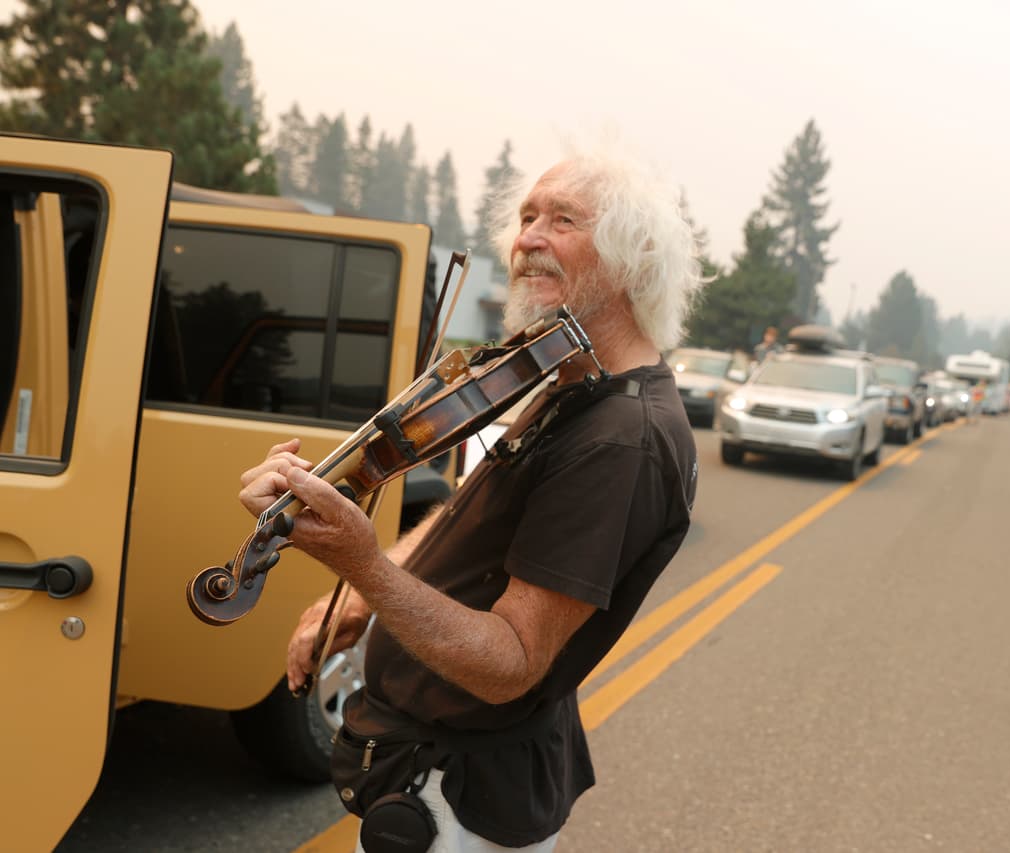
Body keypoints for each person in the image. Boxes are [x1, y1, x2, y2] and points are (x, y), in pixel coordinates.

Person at [237, 146, 704, 852]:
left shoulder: (622, 437)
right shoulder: (565, 376)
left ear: (632, 257)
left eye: (563, 220)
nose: (529, 240)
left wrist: (364, 566)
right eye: (526, 218)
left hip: (461, 801)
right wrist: (360, 603)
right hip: (432, 769)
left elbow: (511, 659)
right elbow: (463, 518)